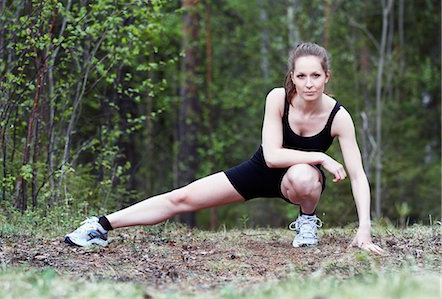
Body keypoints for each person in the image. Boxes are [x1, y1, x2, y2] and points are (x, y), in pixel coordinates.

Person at [65, 42, 384, 254]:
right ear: (293, 77)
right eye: (302, 75)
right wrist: (320, 156)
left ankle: (306, 222)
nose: (309, 82)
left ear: (327, 76)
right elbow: (272, 157)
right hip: (262, 170)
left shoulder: (339, 117)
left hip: (302, 182)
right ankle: (100, 225)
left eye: (316, 75)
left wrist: (364, 231)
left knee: (303, 175)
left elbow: (357, 176)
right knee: (182, 197)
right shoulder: (277, 98)